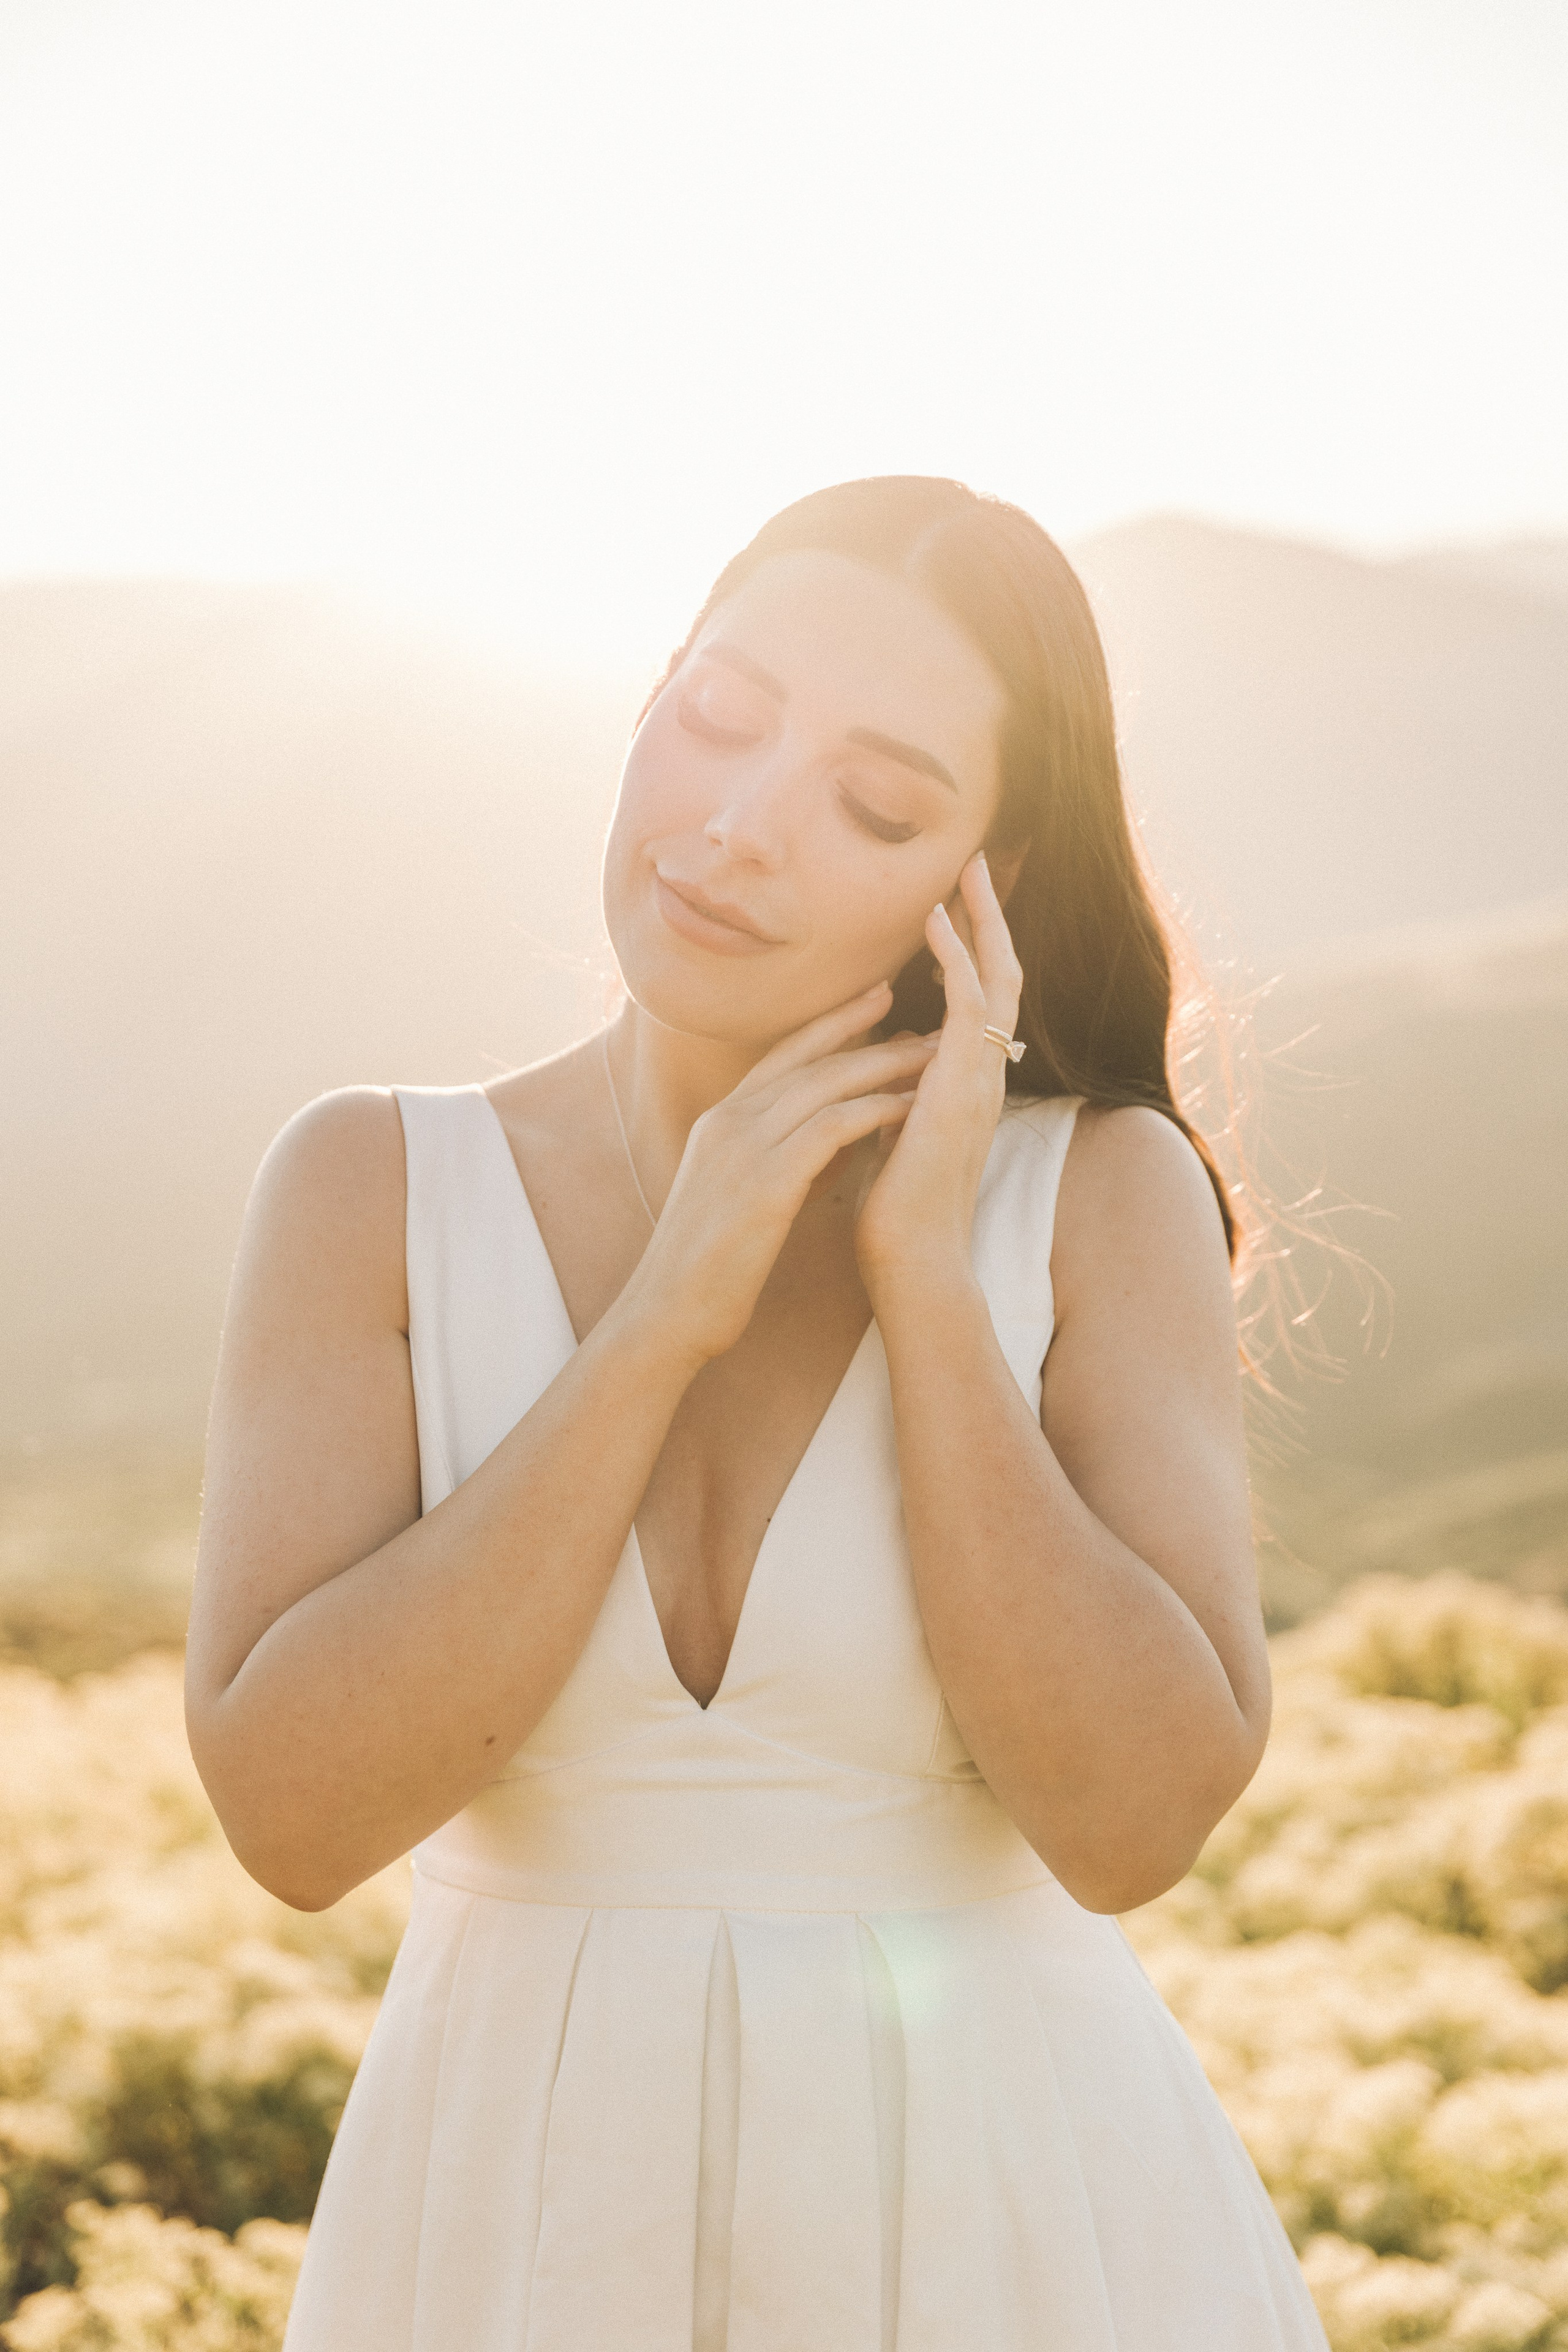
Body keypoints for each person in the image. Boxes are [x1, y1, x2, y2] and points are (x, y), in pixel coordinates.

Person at [186, 475, 1329, 2350]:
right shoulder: (362, 1187)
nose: (736, 827)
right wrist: (656, 1323)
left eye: (874, 804)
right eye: (720, 718)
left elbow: (1131, 1826)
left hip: (1019, 2237)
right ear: (646, 696)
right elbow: (296, 1820)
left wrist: (933, 1292)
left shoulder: (1102, 1196)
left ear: (985, 884)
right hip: (511, 2238)